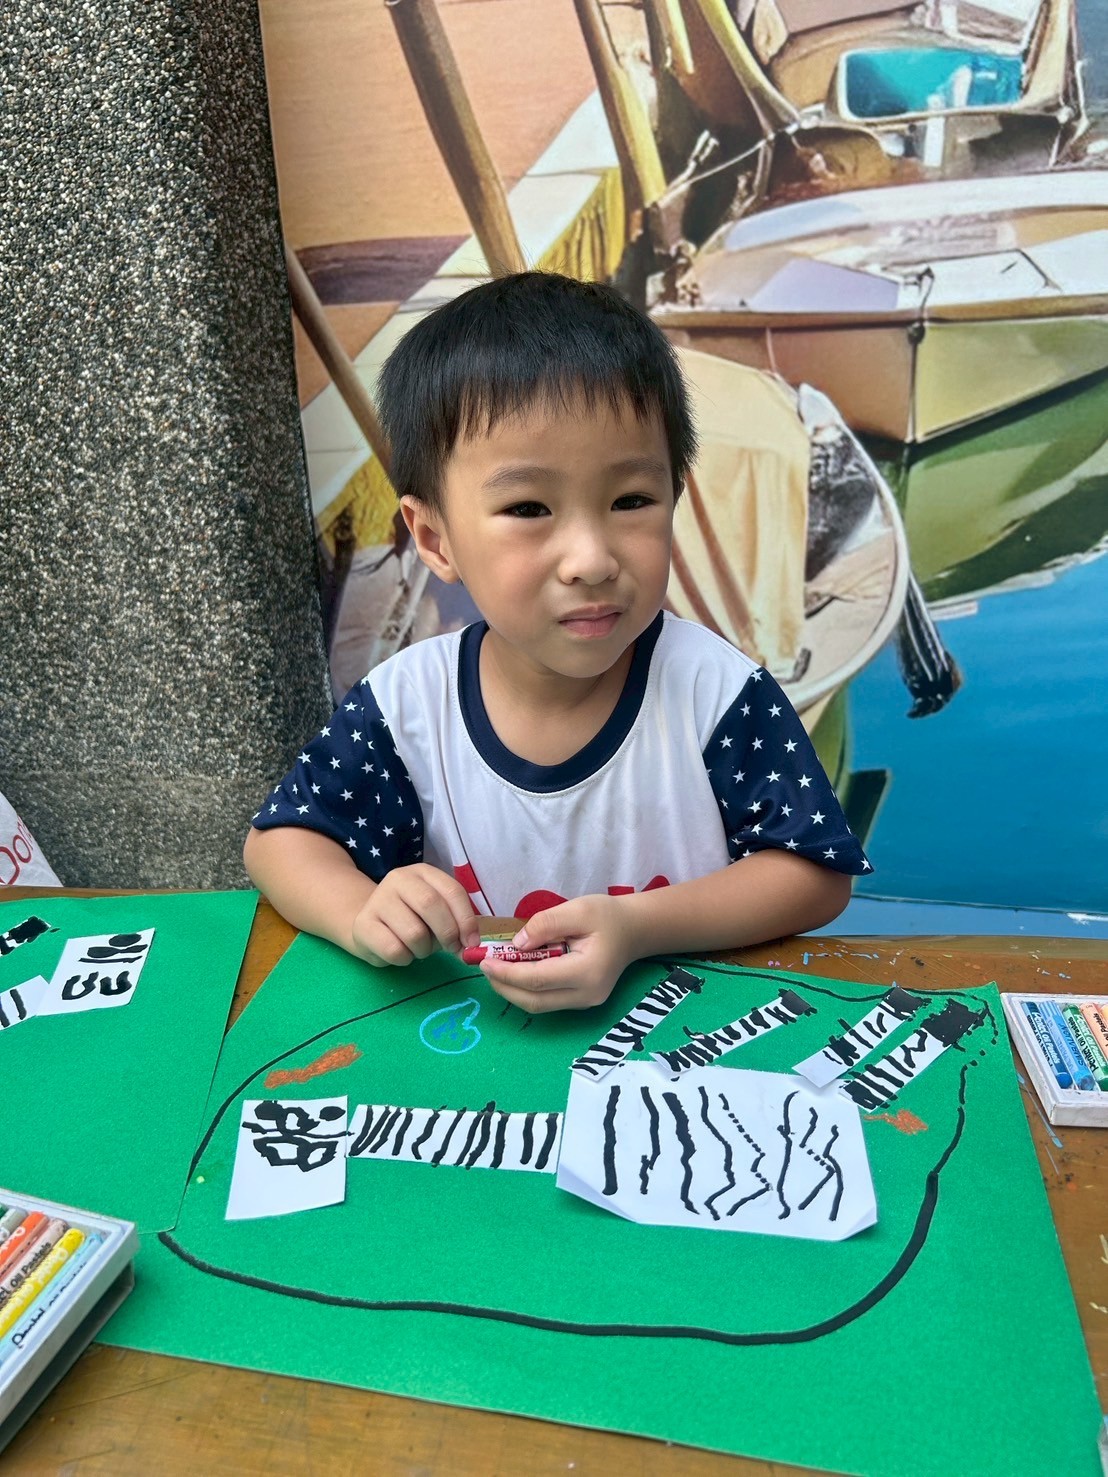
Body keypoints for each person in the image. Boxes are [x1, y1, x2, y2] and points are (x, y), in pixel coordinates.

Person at [245, 271, 870, 1013]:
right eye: (529, 508)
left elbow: (814, 873)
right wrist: (361, 909)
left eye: (631, 500)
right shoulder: (407, 706)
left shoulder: (717, 693)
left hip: (685, 1042)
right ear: (435, 539)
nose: (591, 560)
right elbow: (280, 845)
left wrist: (636, 929)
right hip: (479, 1058)